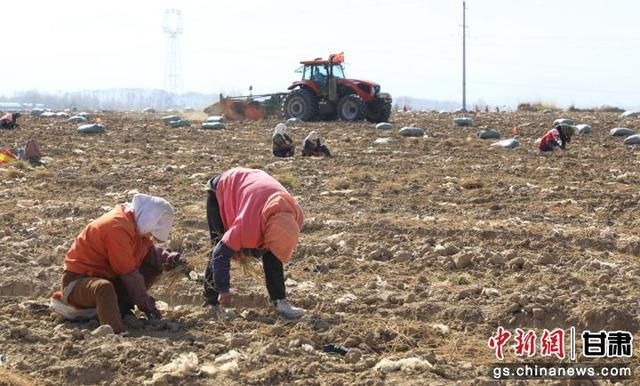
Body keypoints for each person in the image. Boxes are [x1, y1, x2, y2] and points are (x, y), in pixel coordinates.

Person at [53, 194, 185, 334]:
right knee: (103, 288)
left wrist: (171, 261)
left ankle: (121, 307)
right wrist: (147, 305)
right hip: (78, 282)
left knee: (153, 265)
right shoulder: (117, 227)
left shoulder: (135, 222)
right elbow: (128, 273)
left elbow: (148, 251)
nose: (150, 236)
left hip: (107, 275)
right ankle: (114, 331)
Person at [203, 167, 305, 319]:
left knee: (273, 250)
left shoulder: (294, 217)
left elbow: (275, 244)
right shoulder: (248, 225)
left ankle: (279, 300)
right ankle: (212, 304)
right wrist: (223, 289)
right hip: (222, 188)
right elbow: (220, 253)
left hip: (253, 189)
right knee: (218, 243)